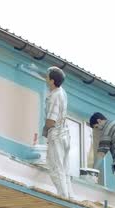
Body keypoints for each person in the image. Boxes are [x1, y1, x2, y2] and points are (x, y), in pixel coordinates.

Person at [43, 66, 73, 199]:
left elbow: (51, 120)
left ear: (52, 81)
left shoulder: (55, 95)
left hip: (57, 135)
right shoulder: (62, 92)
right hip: (65, 134)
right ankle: (70, 196)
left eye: (47, 77)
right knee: (65, 169)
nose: (45, 79)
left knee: (55, 166)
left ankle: (63, 196)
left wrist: (45, 131)